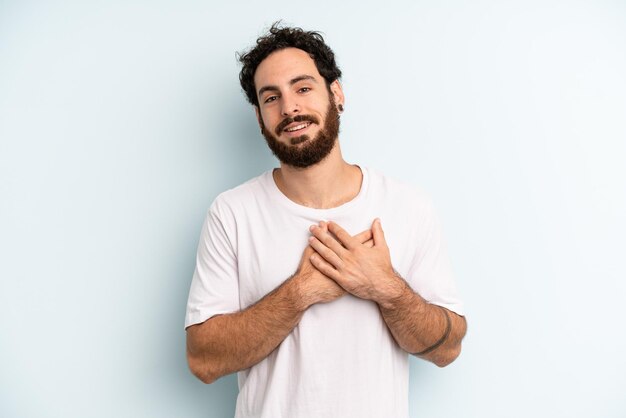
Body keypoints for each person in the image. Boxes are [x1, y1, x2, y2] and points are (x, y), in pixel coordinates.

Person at [184, 23, 467, 418]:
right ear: (259, 116)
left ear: (336, 93)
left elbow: (447, 349)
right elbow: (203, 361)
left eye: (302, 88)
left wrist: (386, 288)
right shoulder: (232, 213)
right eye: (271, 98)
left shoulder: (408, 206)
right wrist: (301, 292)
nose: (289, 108)